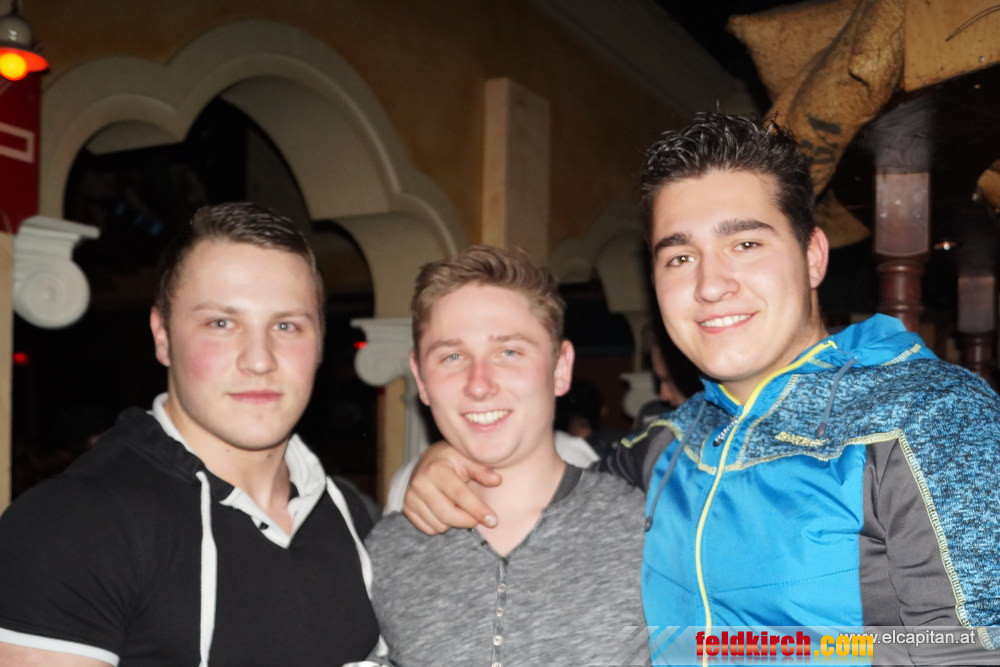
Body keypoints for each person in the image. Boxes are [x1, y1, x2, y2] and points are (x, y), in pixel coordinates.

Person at [401, 114, 1000, 662]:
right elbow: (543, 508)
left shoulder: (931, 415)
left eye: (745, 244)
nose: (711, 285)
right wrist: (451, 459)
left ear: (813, 256)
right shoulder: (668, 444)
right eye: (680, 258)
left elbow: (968, 649)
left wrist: (760, 648)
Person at [0, 203, 380, 665]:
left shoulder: (352, 514)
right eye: (221, 323)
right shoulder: (71, 525)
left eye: (286, 325)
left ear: (319, 341)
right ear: (162, 336)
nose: (259, 359)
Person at [365, 245, 648, 665]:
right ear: (421, 379)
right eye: (453, 356)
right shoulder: (386, 551)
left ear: (560, 368)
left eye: (509, 352)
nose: (479, 384)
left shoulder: (649, 531)